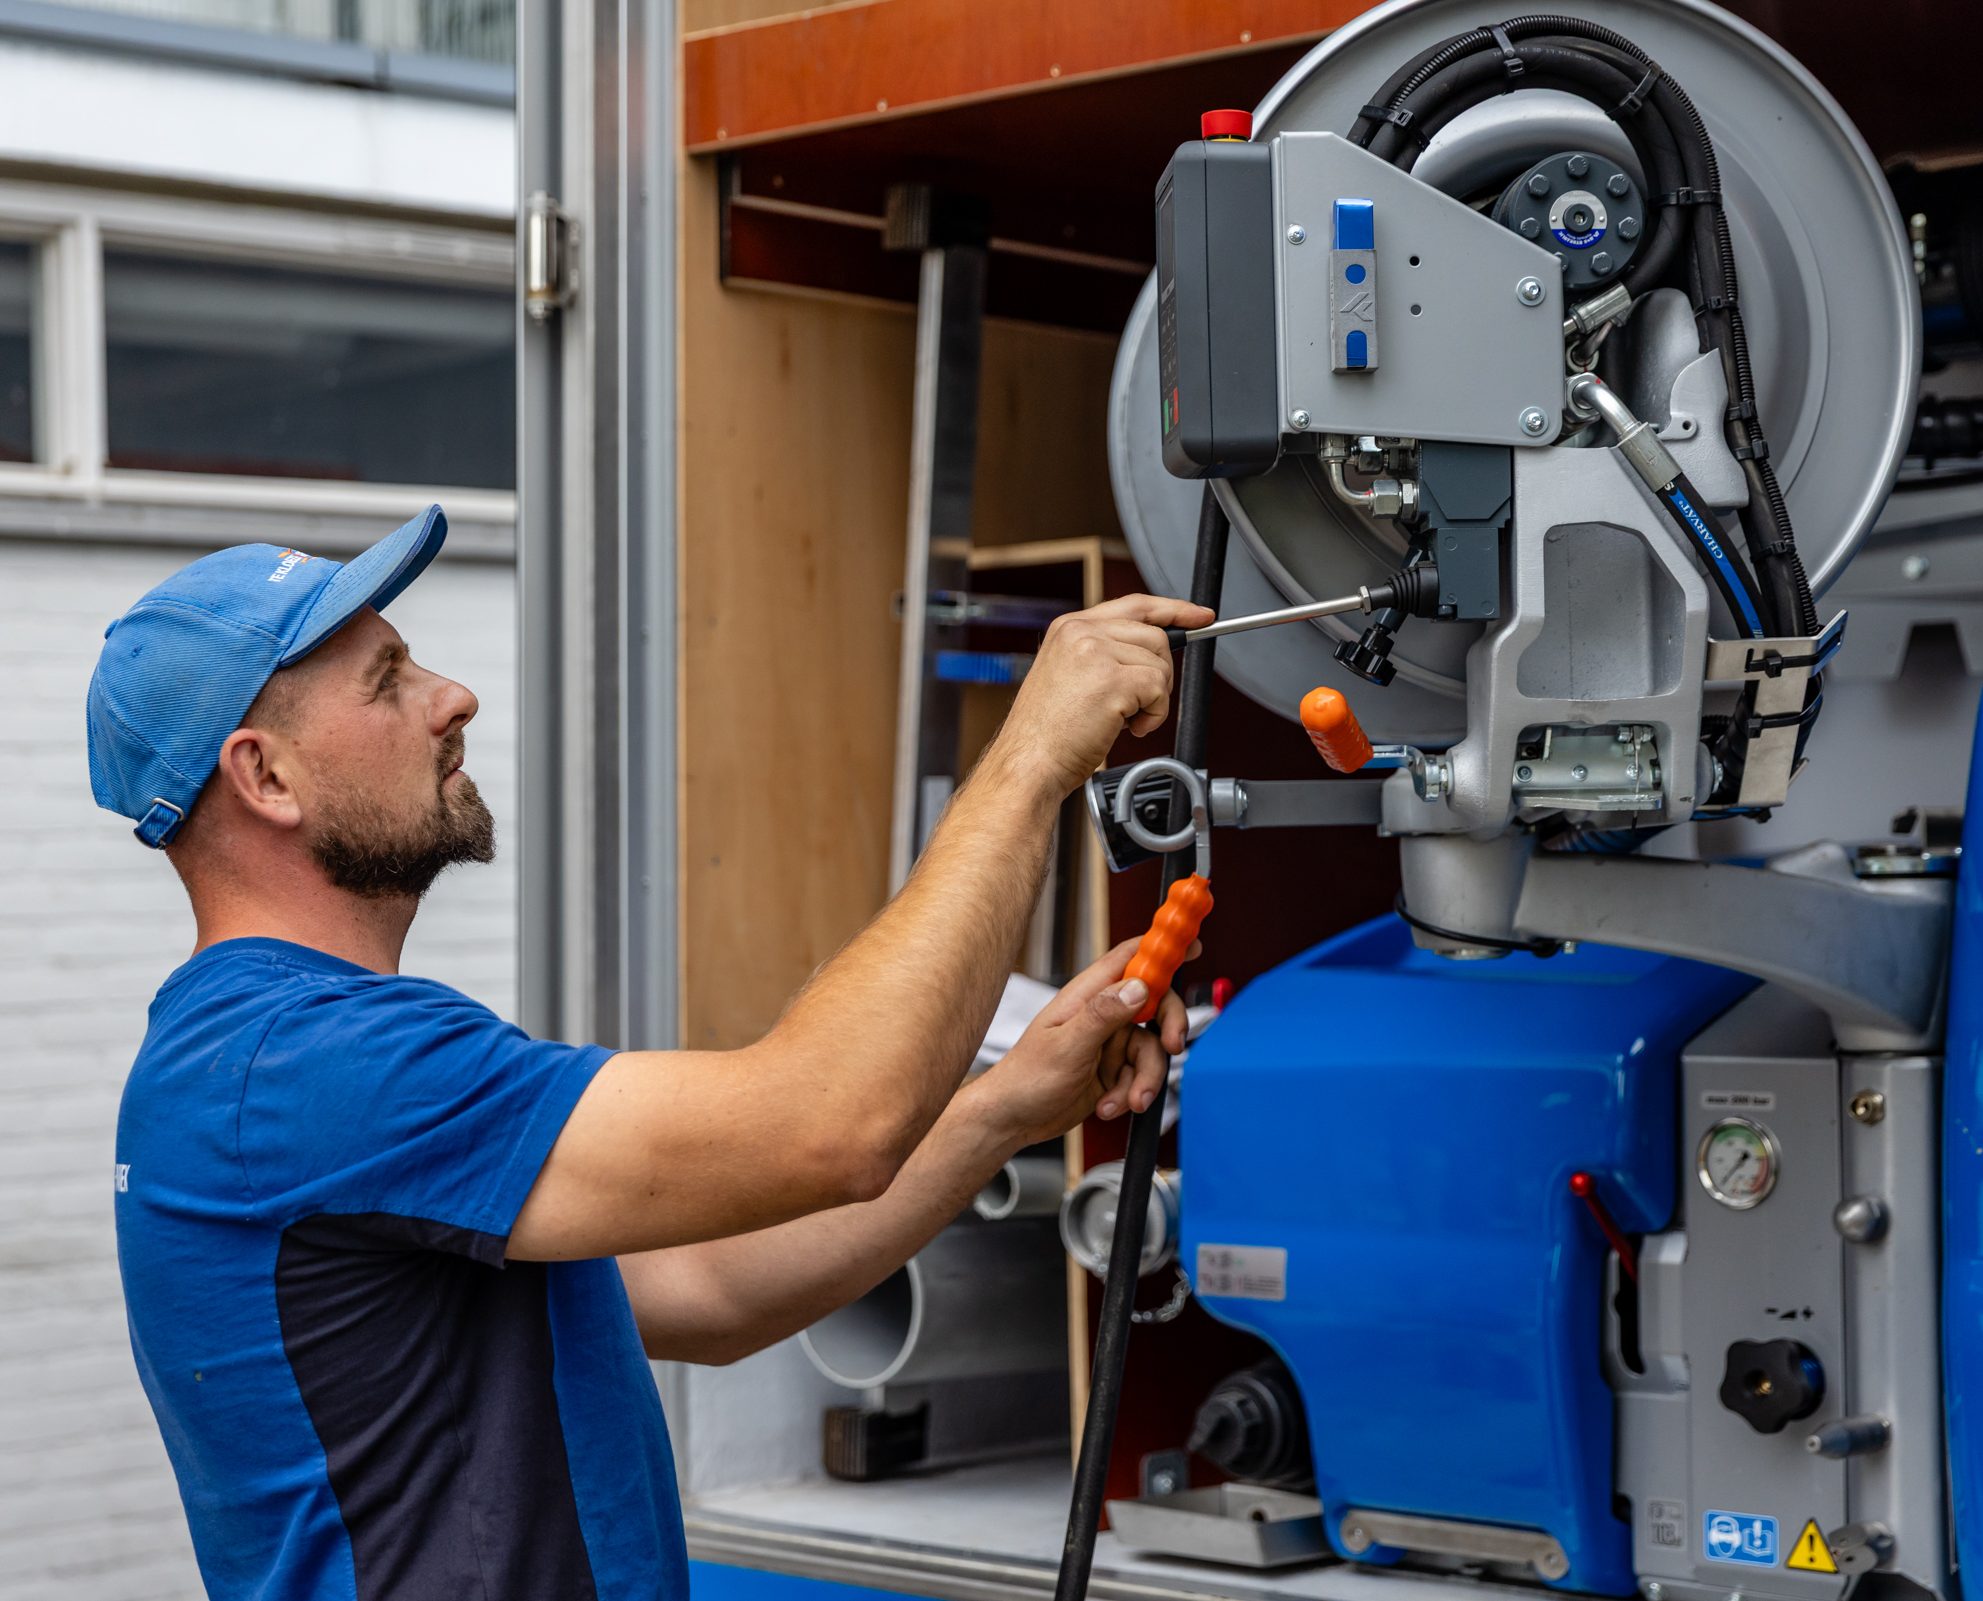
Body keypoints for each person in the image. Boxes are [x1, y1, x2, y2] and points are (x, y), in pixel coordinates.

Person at [89, 506, 1212, 1601]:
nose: (453, 695)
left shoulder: (267, 1052)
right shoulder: (306, 1062)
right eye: (387, 681)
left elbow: (707, 1287)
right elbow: (832, 1124)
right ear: (266, 776)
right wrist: (1028, 759)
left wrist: (1003, 1106)